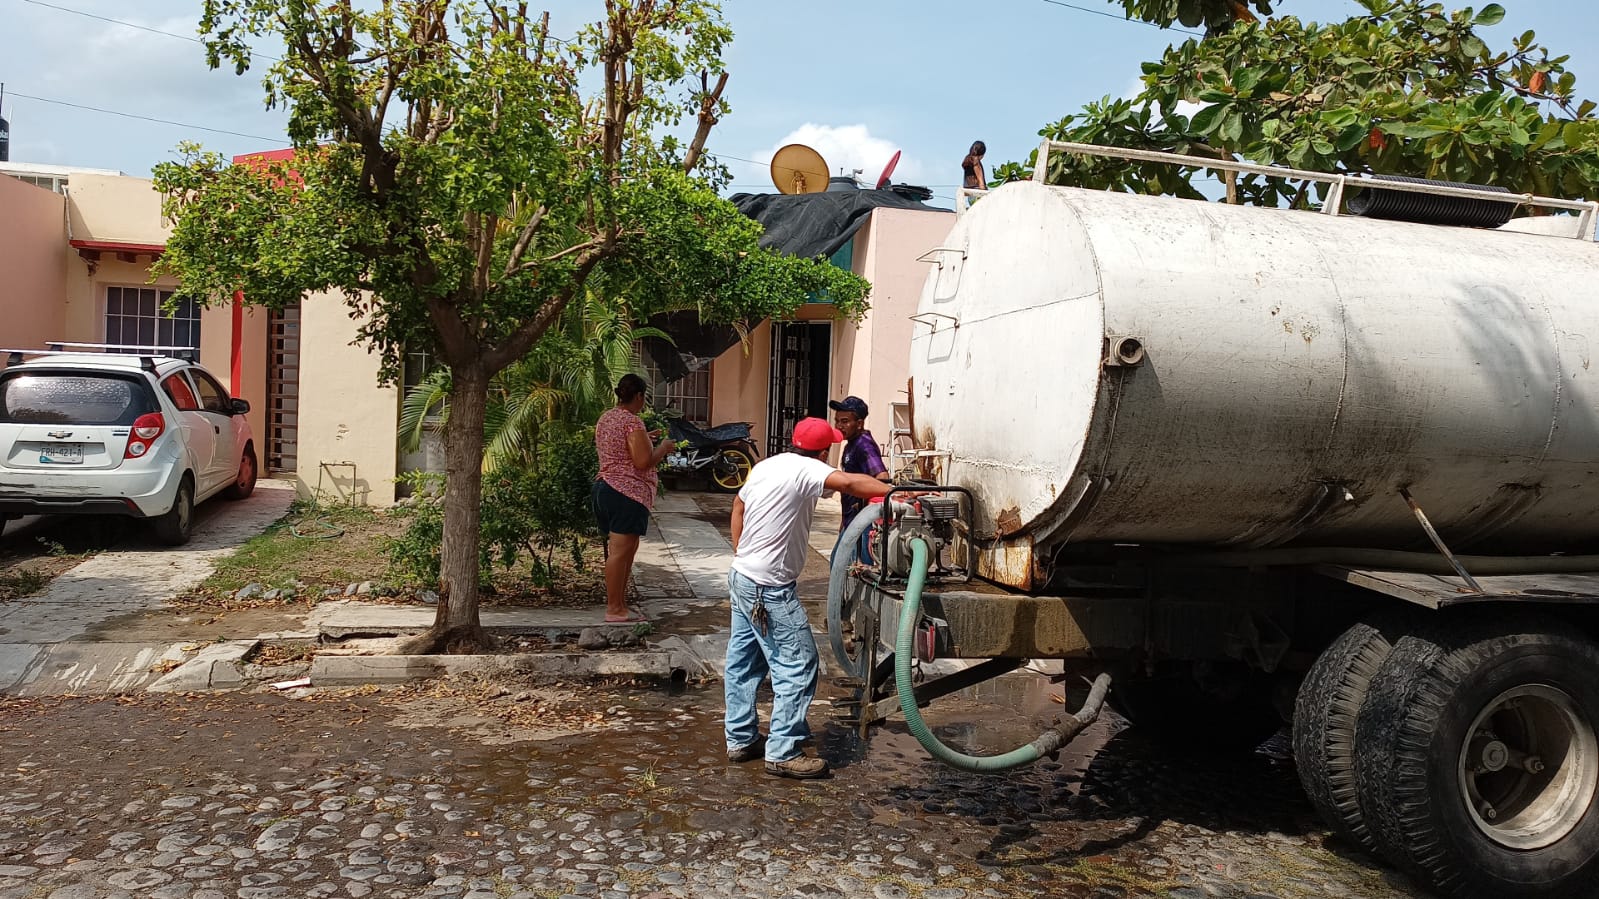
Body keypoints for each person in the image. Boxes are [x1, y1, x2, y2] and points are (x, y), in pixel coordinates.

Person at [724, 417, 893, 779]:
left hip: (742, 577)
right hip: (768, 588)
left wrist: (741, 552)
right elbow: (849, 482)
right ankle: (783, 751)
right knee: (799, 664)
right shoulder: (807, 469)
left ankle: (740, 739)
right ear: (823, 451)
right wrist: (894, 492)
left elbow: (738, 505)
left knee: (743, 663)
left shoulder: (768, 465)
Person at [592, 373, 675, 623]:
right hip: (625, 492)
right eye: (643, 397)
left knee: (623, 551)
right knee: (620, 553)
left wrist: (645, 438)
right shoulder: (632, 421)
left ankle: (620, 605)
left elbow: (620, 448)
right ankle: (614, 609)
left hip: (606, 488)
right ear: (638, 395)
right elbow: (642, 461)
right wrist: (663, 448)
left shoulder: (607, 417)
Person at [828, 395, 890, 560]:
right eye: (837, 421)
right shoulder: (851, 445)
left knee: (851, 567)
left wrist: (866, 506)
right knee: (839, 563)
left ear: (859, 423)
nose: (839, 426)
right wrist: (844, 521)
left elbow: (882, 477)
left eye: (845, 421)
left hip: (863, 523)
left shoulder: (864, 444)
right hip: (851, 520)